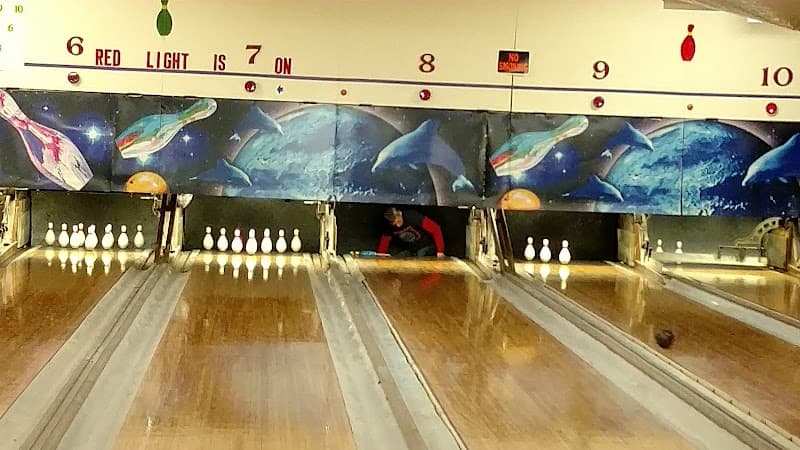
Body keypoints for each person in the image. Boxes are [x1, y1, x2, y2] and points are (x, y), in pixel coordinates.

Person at [378, 207, 445, 258]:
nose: (398, 226)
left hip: (426, 246)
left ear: (400, 214)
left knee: (420, 256)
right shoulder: (388, 227)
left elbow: (435, 229)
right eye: (395, 225)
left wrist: (440, 251)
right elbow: (385, 241)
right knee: (398, 259)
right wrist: (381, 256)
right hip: (412, 249)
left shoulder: (412, 216)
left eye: (399, 222)